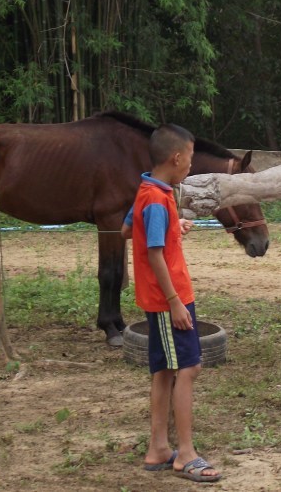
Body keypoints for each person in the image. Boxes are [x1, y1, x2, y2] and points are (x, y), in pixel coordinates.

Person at [120, 123, 221, 483]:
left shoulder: (148, 190)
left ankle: (159, 449)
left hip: (160, 299)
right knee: (188, 369)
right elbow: (155, 253)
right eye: (191, 159)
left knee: (164, 371)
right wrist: (176, 302)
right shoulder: (157, 199)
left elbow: (127, 230)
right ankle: (186, 454)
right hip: (169, 300)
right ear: (176, 158)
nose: (191, 166)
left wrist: (173, 224)